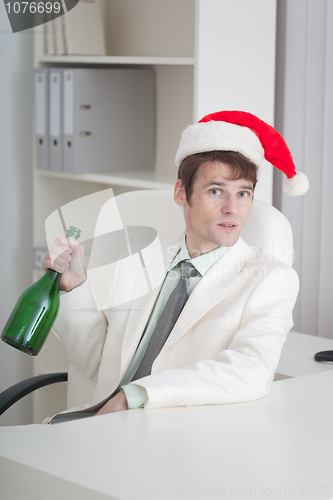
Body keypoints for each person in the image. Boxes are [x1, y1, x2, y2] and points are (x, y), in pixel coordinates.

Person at [43, 111, 309, 422]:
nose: (232, 209)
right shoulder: (137, 259)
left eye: (243, 194)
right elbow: (95, 364)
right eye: (216, 191)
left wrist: (139, 394)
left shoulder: (270, 279)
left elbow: (251, 371)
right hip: (96, 423)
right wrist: (75, 287)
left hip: (171, 436)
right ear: (181, 193)